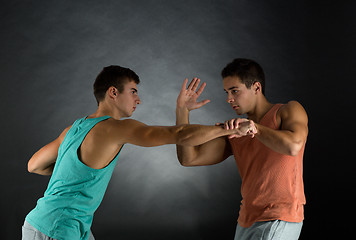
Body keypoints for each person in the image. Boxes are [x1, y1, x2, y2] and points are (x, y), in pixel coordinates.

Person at [23, 65, 246, 240]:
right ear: (113, 92)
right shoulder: (115, 128)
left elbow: (34, 165)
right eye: (133, 92)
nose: (138, 99)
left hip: (55, 224)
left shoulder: (73, 129)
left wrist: (73, 171)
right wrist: (229, 128)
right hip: (56, 229)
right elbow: (180, 134)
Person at [176, 58, 308, 240]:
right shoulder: (236, 131)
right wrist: (182, 111)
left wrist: (254, 128)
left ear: (256, 88)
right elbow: (189, 158)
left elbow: (293, 146)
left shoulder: (288, 110)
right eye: (227, 92)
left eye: (234, 91)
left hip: (279, 217)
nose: (229, 99)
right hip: (246, 220)